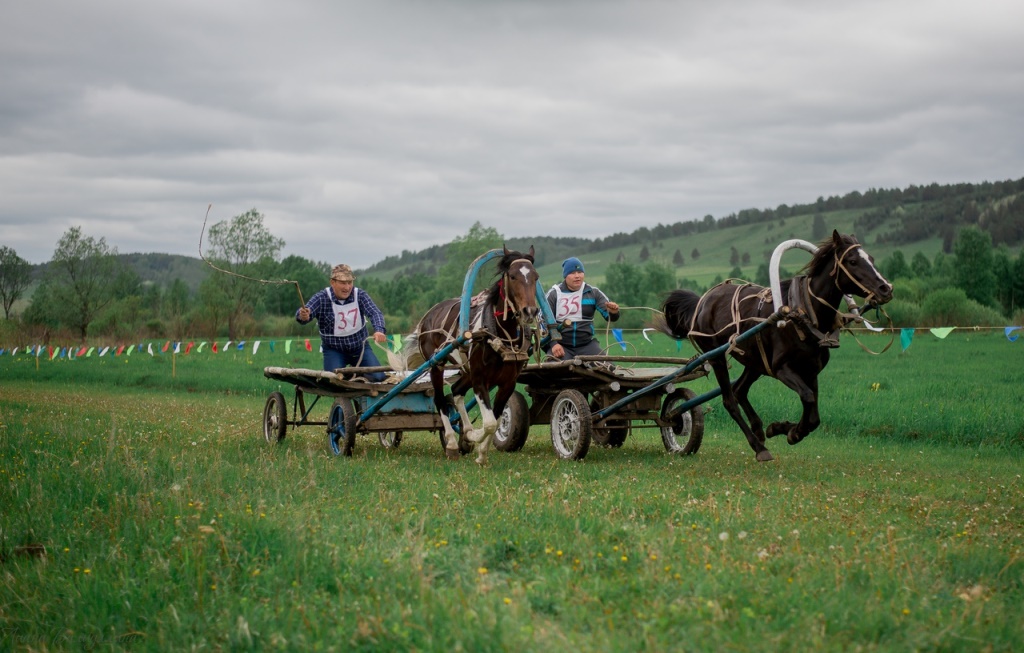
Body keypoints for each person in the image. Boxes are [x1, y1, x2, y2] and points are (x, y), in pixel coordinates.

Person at [296, 264, 388, 381]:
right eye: (343, 283)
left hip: (360, 348)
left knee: (378, 377)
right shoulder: (321, 298)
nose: (347, 287)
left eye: (350, 282)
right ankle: (347, 385)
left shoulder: (360, 295)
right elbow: (306, 313)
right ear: (332, 282)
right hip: (334, 350)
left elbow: (375, 313)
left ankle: (360, 387)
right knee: (334, 382)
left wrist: (379, 330)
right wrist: (303, 315)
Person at [546, 257, 619, 360]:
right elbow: (543, 322)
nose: (577, 276)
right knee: (553, 370)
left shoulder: (593, 293)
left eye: (580, 272)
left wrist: (613, 312)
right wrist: (553, 344)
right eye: (572, 273)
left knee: (607, 369)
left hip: (587, 345)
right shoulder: (554, 294)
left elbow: (611, 317)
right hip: (561, 346)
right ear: (565, 276)